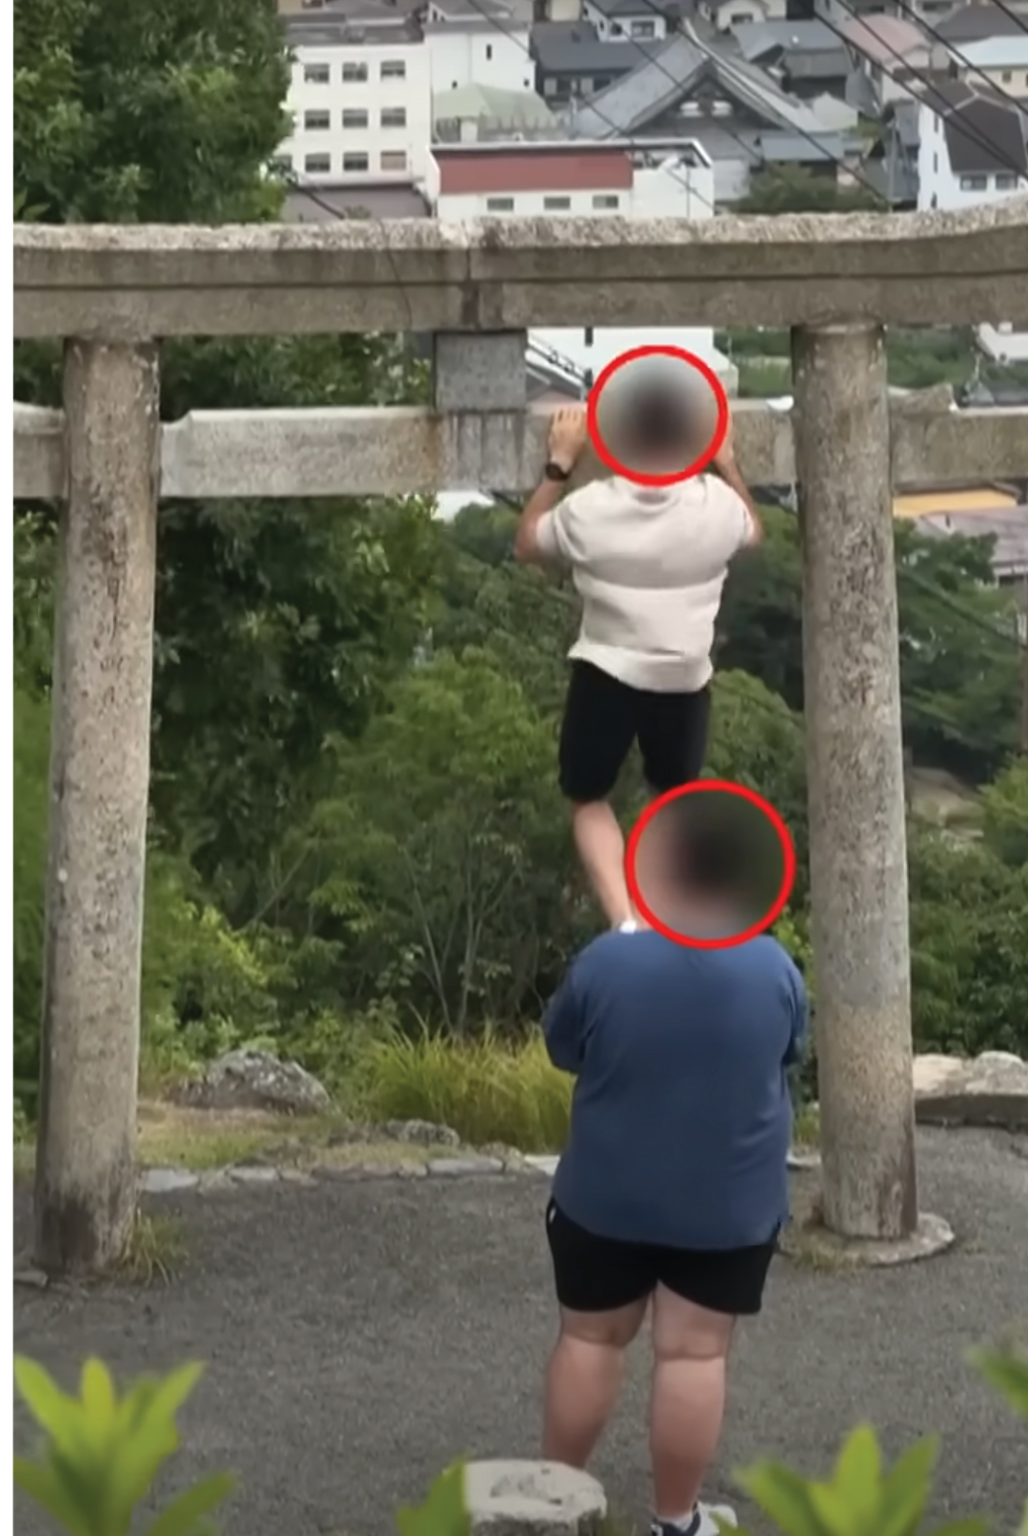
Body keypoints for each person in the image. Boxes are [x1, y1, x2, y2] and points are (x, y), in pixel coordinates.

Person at [537, 796, 808, 1536]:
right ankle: (675, 1523)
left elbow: (563, 1049)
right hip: (728, 1206)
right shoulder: (776, 970)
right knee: (692, 1356)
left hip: (605, 1195)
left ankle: (554, 1513)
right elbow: (789, 1054)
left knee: (589, 1340)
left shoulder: (607, 961)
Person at [513, 383, 763, 931]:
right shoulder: (716, 506)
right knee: (672, 798)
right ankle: (661, 912)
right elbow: (754, 530)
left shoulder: (591, 511)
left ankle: (625, 920)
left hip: (607, 670)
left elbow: (528, 542)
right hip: (685, 677)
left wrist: (559, 464)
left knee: (587, 796)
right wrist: (729, 465)